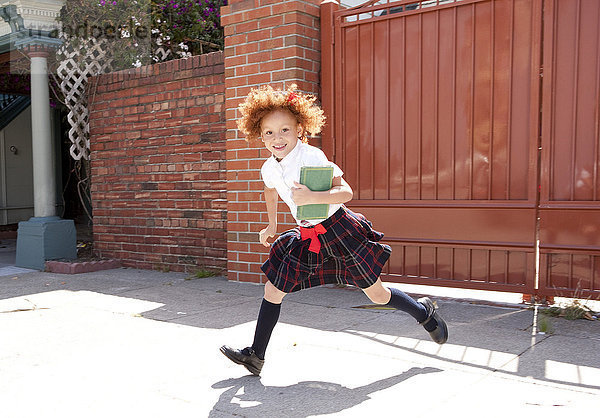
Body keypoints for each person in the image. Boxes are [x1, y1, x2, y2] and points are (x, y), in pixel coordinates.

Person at [220, 84, 448, 376]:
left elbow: (346, 192)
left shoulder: (311, 156)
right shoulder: (269, 167)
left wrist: (314, 197)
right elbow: (270, 190)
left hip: (340, 230)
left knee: (376, 295)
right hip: (306, 235)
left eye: (285, 130)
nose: (277, 138)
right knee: (273, 289)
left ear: (300, 128)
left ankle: (424, 313)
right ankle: (255, 355)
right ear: (259, 134)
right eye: (269, 132)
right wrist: (272, 225)